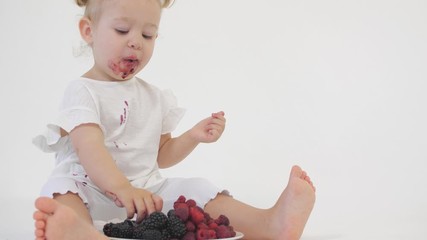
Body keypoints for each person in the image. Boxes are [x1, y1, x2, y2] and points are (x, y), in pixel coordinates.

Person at [33, 0, 316, 239]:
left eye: (147, 35)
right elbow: (89, 148)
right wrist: (121, 188)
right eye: (121, 30)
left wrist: (192, 136)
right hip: (89, 189)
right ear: (88, 31)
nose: (135, 42)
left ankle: (269, 224)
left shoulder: (154, 97)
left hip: (145, 194)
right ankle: (80, 231)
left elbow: (160, 155)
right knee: (63, 197)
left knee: (197, 190)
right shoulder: (82, 92)